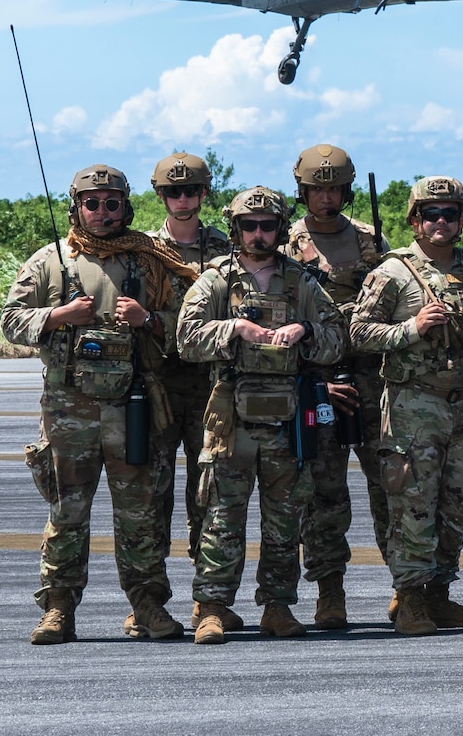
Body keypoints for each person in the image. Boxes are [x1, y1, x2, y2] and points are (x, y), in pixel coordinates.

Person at [1, 164, 198, 644]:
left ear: (126, 206)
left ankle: (148, 605)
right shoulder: (50, 260)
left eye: (113, 204)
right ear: (76, 207)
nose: (103, 213)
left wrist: (148, 318)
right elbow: (10, 321)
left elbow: (188, 326)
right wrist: (58, 315)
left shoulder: (151, 258)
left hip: (133, 405)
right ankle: (58, 608)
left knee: (141, 513)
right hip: (71, 408)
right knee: (68, 511)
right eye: (93, 203)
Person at [176, 186, 345, 643]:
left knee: (285, 520)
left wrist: (305, 329)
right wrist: (236, 328)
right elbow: (186, 339)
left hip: (287, 416)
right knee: (221, 519)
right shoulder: (215, 280)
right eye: (249, 226)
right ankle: (211, 608)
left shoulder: (301, 282)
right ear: (236, 229)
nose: (258, 233)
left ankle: (278, 604)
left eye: (267, 226)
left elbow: (337, 338)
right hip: (231, 419)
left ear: (279, 229)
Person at [350, 176, 463, 636]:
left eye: (450, 213)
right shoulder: (393, 272)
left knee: (455, 505)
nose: (440, 222)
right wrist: (413, 328)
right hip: (413, 406)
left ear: (462, 220)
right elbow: (359, 333)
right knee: (413, 505)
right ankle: (411, 599)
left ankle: (439, 594)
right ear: (415, 220)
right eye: (430, 214)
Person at [283, 143, 386, 630]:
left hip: (372, 379)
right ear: (302, 190)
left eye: (334, 188)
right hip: (315, 381)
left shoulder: (372, 241)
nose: (326, 197)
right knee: (323, 493)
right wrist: (316, 382)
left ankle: (409, 589)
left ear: (347, 190)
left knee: (391, 486)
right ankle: (330, 592)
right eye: (316, 188)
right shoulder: (283, 243)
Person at [142, 152, 231, 620]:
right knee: (150, 497)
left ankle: (206, 599)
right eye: (173, 191)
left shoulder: (227, 249)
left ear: (203, 193)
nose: (182, 199)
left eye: (191, 190)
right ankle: (149, 602)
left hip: (209, 386)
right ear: (160, 195)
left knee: (209, 496)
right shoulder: (140, 250)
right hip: (155, 385)